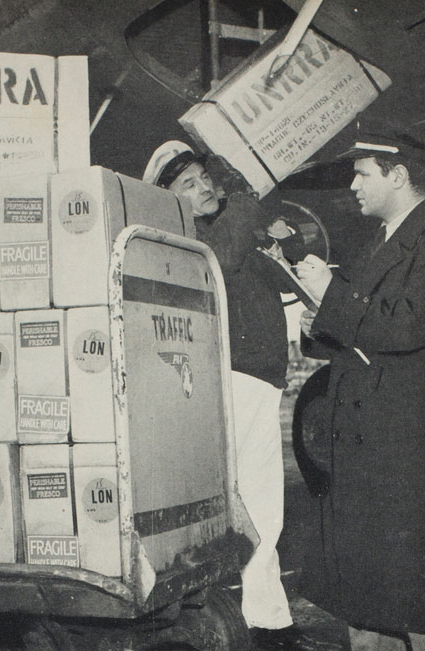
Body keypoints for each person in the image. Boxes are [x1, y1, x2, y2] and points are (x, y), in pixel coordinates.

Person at [295, 120, 425, 650]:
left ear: (398, 176)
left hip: (410, 446)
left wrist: (333, 295)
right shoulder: (381, 240)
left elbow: (407, 325)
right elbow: (365, 330)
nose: (352, 186)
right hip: (372, 446)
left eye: (362, 174)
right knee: (370, 600)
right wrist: (318, 320)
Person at [143, 141, 323, 651]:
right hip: (232, 379)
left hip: (258, 380)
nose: (204, 189)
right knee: (251, 499)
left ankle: (263, 616)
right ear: (168, 198)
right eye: (188, 185)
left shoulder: (230, 226)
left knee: (260, 500)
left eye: (204, 178)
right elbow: (219, 259)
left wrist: (282, 243)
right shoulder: (191, 235)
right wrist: (248, 200)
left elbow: (274, 271)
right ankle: (258, 618)